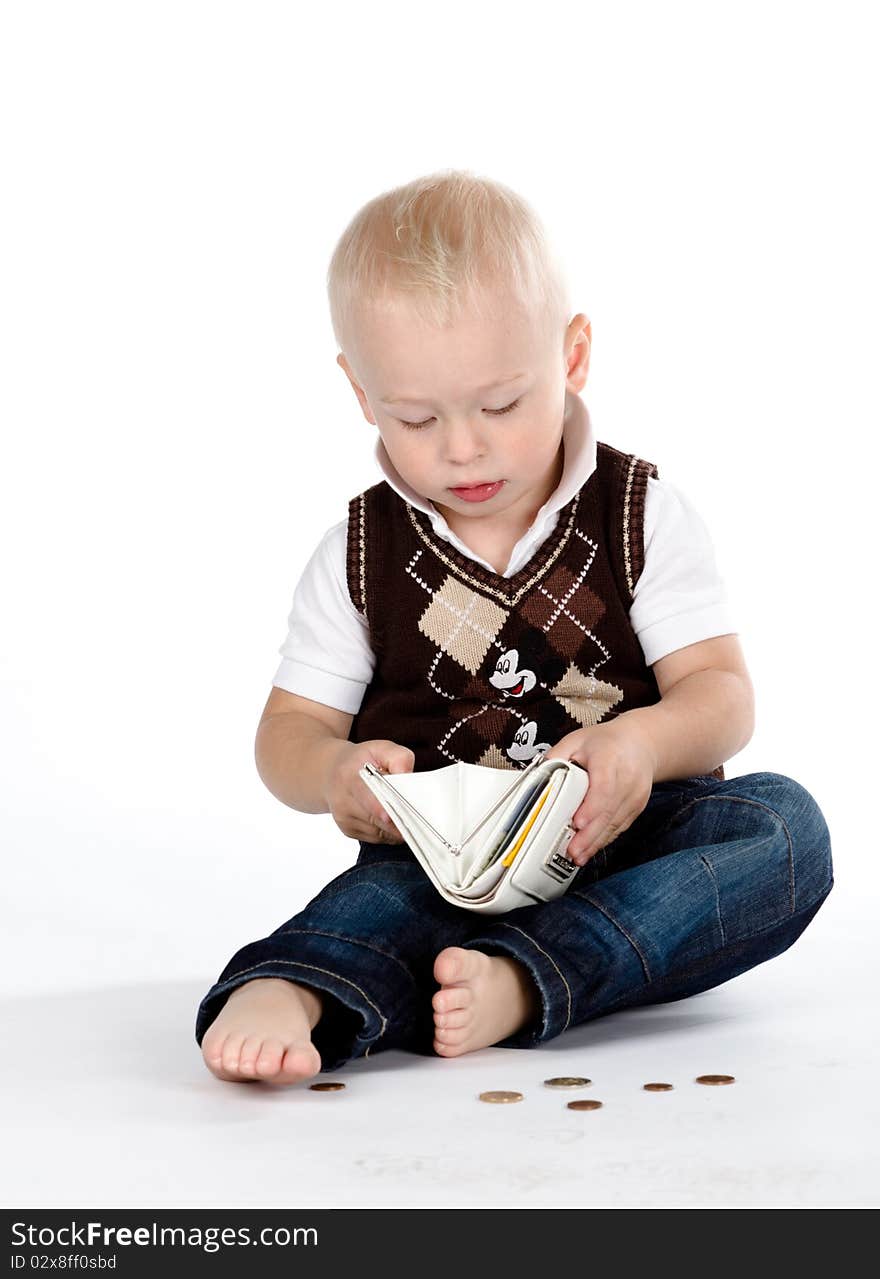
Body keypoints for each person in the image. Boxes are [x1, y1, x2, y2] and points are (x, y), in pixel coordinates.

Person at [195, 169, 833, 1086]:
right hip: (448, 863)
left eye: (500, 404)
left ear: (572, 357)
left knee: (784, 831)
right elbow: (286, 733)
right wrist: (333, 772)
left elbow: (723, 697)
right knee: (381, 899)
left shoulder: (638, 513)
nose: (463, 447)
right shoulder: (361, 552)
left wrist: (644, 745)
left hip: (634, 843)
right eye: (417, 417)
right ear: (363, 393)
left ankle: (530, 981)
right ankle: (295, 984)